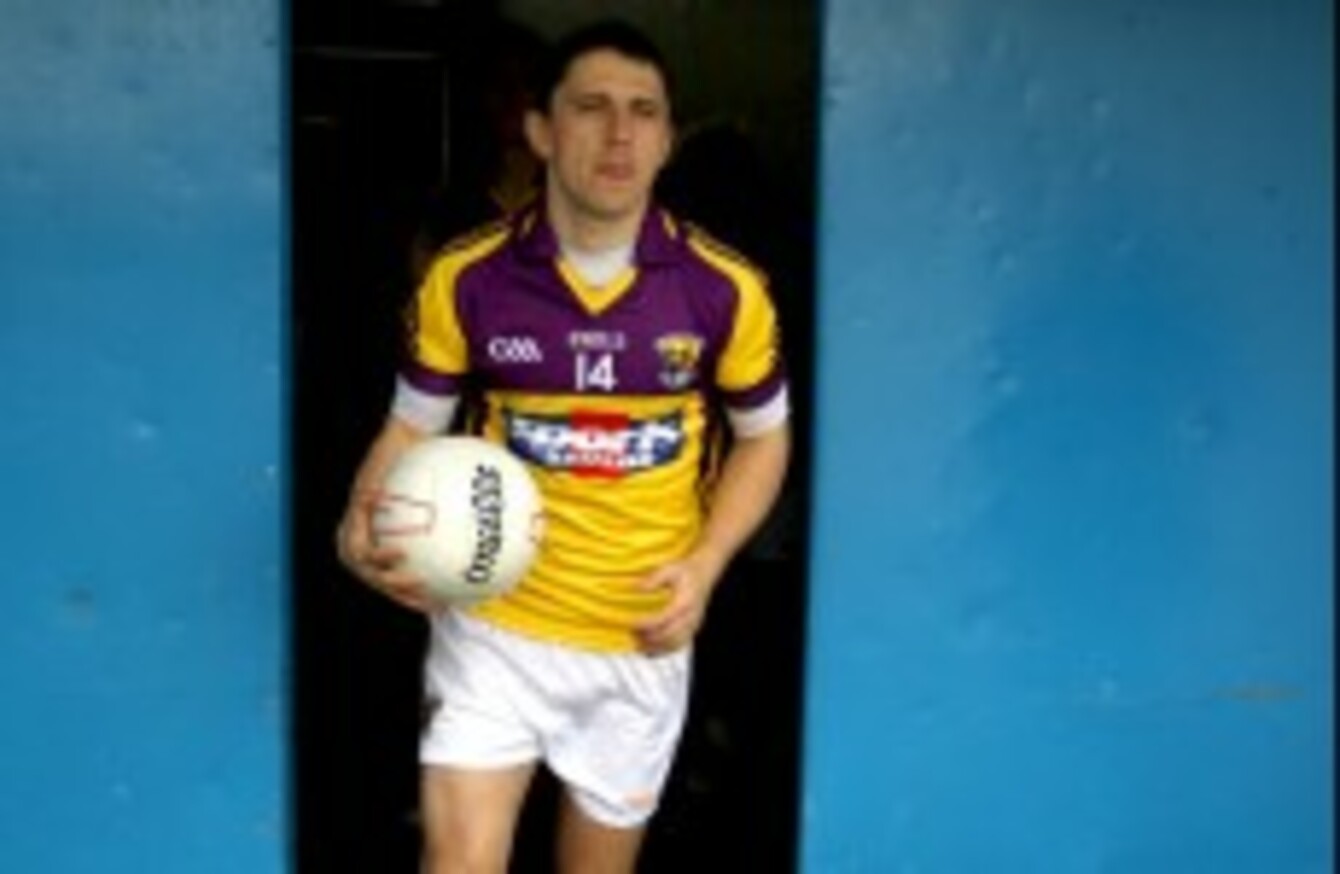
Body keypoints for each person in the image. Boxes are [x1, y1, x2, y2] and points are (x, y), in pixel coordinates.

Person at [336, 19, 791, 874]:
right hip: (493, 623)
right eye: (591, 107)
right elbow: (411, 425)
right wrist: (356, 524)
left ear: (667, 140)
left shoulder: (724, 290)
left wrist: (706, 565)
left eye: (643, 112)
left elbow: (765, 441)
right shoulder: (467, 278)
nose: (620, 134)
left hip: (638, 634)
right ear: (541, 131)